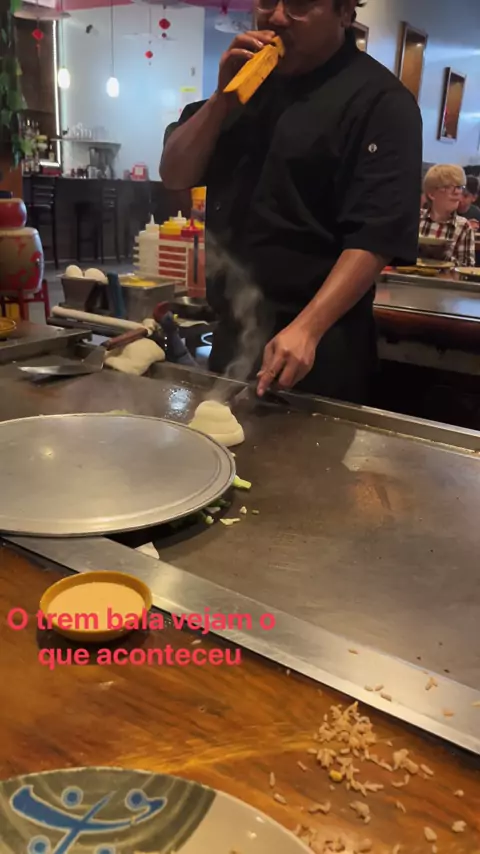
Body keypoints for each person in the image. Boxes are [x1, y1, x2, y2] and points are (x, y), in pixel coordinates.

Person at [160, 0, 423, 404]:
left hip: (318, 345)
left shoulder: (381, 101)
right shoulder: (245, 86)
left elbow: (375, 236)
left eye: (299, 4)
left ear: (345, 12)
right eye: (268, 1)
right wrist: (221, 100)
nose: (277, 16)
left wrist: (308, 327)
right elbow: (175, 173)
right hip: (233, 333)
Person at [420, 165, 476, 267]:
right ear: (432, 194)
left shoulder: (464, 226)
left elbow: (468, 268)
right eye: (448, 187)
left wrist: (444, 257)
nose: (457, 192)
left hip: (446, 277)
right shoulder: (416, 219)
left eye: (459, 187)